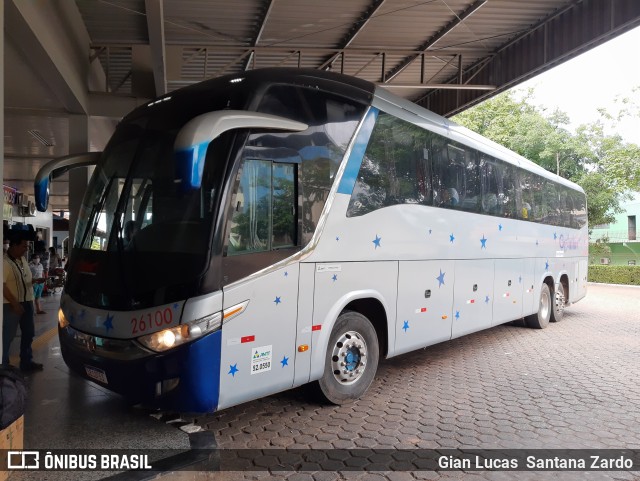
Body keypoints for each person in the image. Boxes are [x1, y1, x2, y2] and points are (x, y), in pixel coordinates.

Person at [3, 232, 43, 371]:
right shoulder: (4, 262)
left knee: (29, 333)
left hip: (27, 302)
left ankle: (26, 362)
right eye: (24, 246)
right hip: (10, 305)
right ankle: (4, 366)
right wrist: (15, 304)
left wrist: (35, 281)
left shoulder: (23, 260)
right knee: (7, 336)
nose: (26, 249)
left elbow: (24, 280)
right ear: (14, 245)